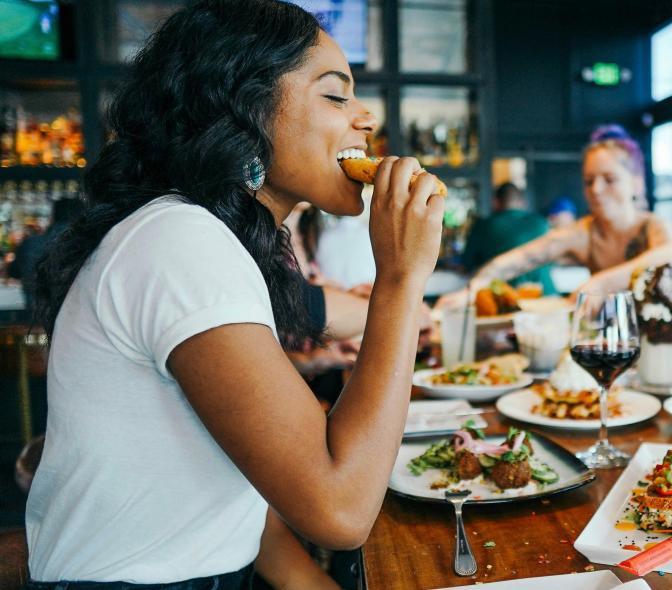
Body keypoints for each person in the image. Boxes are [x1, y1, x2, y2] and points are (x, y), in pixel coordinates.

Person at [25, 1, 444, 587]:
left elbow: (246, 507)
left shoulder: (209, 238)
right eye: (335, 95)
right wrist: (401, 280)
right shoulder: (179, 241)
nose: (366, 117)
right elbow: (341, 509)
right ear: (244, 109)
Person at [436, 124, 672, 306]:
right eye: (589, 181)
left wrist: (600, 283)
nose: (596, 190)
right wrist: (472, 290)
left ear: (637, 183)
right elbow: (519, 259)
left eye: (609, 179)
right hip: (611, 345)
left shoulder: (653, 225)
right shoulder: (583, 232)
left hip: (662, 347)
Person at [462, 182, 554, 293]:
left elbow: (466, 264)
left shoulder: (483, 226)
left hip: (505, 299)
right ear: (522, 202)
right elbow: (553, 261)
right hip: (546, 295)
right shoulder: (541, 223)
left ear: (495, 202)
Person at [7, 197, 85, 312]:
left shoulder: (30, 244)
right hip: (76, 320)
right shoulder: (88, 245)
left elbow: (13, 272)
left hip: (35, 319)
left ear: (52, 217)